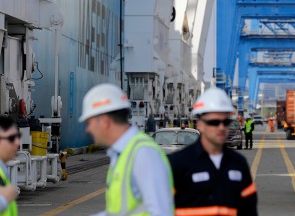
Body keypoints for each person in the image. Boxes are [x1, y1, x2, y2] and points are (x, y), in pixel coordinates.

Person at [80, 83, 173, 215]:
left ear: (105, 121)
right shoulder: (122, 154)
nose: (87, 129)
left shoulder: (143, 154)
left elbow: (161, 212)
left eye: (89, 122)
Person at [169, 88, 258, 215]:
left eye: (226, 122)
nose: (221, 127)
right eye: (214, 122)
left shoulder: (238, 163)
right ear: (199, 124)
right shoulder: (177, 163)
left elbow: (249, 211)